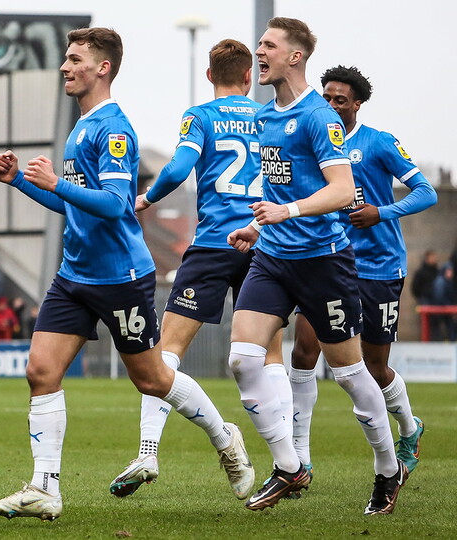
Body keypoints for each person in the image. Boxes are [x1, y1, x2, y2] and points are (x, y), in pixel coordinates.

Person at [0, 27, 254, 522]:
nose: (65, 67)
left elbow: (113, 205)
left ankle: (224, 436)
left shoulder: (114, 128)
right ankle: (45, 487)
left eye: (74, 59)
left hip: (120, 278)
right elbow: (73, 205)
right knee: (40, 372)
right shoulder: (81, 126)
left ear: (102, 67)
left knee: (151, 379)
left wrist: (56, 181)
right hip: (74, 274)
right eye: (66, 59)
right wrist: (20, 180)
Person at [226, 18, 404, 514]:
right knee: (242, 358)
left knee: (350, 373)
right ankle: (289, 466)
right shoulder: (263, 118)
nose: (258, 51)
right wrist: (260, 227)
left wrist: (288, 211)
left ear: (294, 56)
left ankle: (389, 471)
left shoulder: (318, 117)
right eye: (259, 44)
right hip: (272, 258)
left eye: (268, 45)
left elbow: (344, 191)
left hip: (324, 263)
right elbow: (279, 190)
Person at [111, 38, 288, 498]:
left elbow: (178, 167)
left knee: (165, 351)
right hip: (266, 243)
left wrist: (148, 197)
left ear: (210, 76)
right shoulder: (270, 116)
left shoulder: (201, 116)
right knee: (269, 356)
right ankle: (290, 461)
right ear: (249, 77)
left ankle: (148, 451)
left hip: (212, 245)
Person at [287, 65, 436, 490]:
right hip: (326, 262)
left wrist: (381, 212)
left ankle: (409, 428)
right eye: (327, 97)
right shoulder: (312, 140)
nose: (332, 105)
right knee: (302, 352)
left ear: (357, 104)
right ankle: (300, 457)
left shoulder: (378, 143)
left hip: (378, 268)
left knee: (374, 367)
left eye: (341, 100)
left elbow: (427, 192)